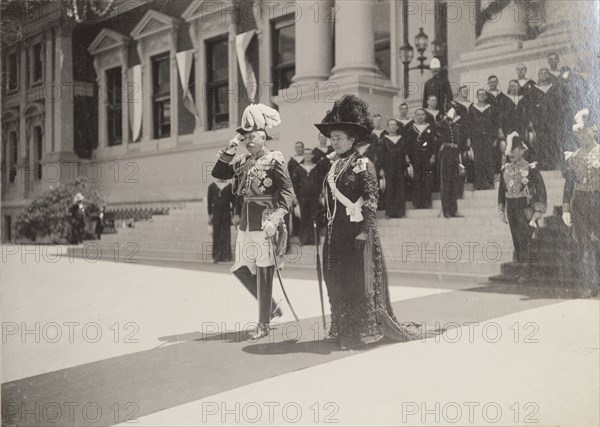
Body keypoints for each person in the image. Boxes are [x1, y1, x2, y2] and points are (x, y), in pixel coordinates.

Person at [314, 94, 420, 349]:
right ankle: (341, 327)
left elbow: (371, 200)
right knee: (336, 280)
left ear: (352, 140)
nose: (334, 142)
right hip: (334, 232)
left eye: (338, 138)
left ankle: (362, 331)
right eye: (332, 138)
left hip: (358, 233)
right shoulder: (331, 167)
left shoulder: (363, 164)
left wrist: (364, 231)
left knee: (356, 282)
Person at [211, 103, 294, 339]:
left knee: (265, 270)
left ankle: (263, 324)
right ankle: (270, 308)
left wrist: (277, 218)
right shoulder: (243, 161)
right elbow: (219, 173)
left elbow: (288, 192)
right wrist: (231, 147)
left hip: (266, 220)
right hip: (247, 221)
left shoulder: (275, 159)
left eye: (252, 137)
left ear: (264, 136)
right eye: (245, 138)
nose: (248, 141)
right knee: (240, 268)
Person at [562, 109, 600, 296]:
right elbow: (569, 182)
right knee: (584, 244)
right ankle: (589, 284)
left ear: (593, 129)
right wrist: (566, 208)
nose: (582, 135)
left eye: (585, 130)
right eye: (578, 132)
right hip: (581, 202)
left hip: (598, 199)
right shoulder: (574, 155)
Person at [498, 132, 547, 265]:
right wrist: (501, 210)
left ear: (521, 150)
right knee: (516, 239)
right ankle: (521, 266)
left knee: (527, 238)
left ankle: (529, 269)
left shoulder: (530, 168)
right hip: (511, 208)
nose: (511, 153)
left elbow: (541, 190)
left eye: (513, 150)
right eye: (509, 151)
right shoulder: (505, 169)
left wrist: (538, 210)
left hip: (525, 208)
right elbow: (501, 192)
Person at [467, 89, 500, 190]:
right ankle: (478, 184)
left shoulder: (492, 108)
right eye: (479, 94)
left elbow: (496, 124)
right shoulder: (472, 108)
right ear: (476, 96)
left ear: (486, 96)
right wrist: (468, 138)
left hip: (488, 137)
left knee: (489, 159)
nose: (481, 96)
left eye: (483, 94)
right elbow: (469, 124)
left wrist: (495, 138)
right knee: (477, 160)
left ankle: (490, 183)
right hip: (476, 138)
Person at [437, 108, 466, 218]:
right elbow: (439, 128)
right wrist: (445, 118)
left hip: (455, 153)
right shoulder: (443, 124)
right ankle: (446, 210)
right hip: (446, 153)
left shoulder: (455, 125)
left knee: (454, 181)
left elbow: (459, 140)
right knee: (446, 181)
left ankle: (454, 210)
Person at [291, 148, 323, 246]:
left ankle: (314, 240)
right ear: (303, 156)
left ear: (313, 156)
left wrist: (321, 194)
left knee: (314, 218)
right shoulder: (298, 169)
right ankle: (304, 240)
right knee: (304, 218)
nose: (308, 156)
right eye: (306, 154)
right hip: (302, 197)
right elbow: (294, 184)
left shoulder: (316, 168)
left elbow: (320, 183)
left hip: (314, 197)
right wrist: (295, 197)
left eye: (310, 154)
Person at [406, 109, 438, 208]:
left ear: (425, 116)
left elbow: (434, 143)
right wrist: (407, 156)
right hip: (415, 157)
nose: (420, 116)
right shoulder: (411, 129)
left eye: (422, 114)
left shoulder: (430, 128)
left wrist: (433, 156)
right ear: (415, 116)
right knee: (416, 179)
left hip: (427, 157)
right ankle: (416, 203)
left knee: (427, 178)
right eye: (418, 114)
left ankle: (427, 202)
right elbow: (408, 144)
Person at [380, 119, 411, 218]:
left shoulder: (402, 139)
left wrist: (407, 164)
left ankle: (400, 212)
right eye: (390, 125)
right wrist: (381, 168)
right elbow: (381, 155)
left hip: (400, 166)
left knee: (400, 188)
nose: (393, 127)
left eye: (394, 125)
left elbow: (405, 153)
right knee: (390, 188)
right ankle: (389, 212)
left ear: (397, 127)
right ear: (388, 127)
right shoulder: (384, 140)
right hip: (388, 167)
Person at [207, 178, 235, 263]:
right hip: (216, 213)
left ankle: (227, 255)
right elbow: (209, 202)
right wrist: (209, 215)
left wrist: (233, 214)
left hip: (226, 213)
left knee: (226, 233)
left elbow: (233, 201)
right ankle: (216, 256)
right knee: (216, 234)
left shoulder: (229, 186)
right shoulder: (212, 186)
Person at [287, 141, 305, 237]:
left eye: (300, 147)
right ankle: (296, 230)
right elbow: (288, 176)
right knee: (295, 209)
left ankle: (304, 230)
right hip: (295, 187)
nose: (299, 149)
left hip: (304, 187)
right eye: (297, 147)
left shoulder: (306, 159)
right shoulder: (292, 161)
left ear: (303, 148)